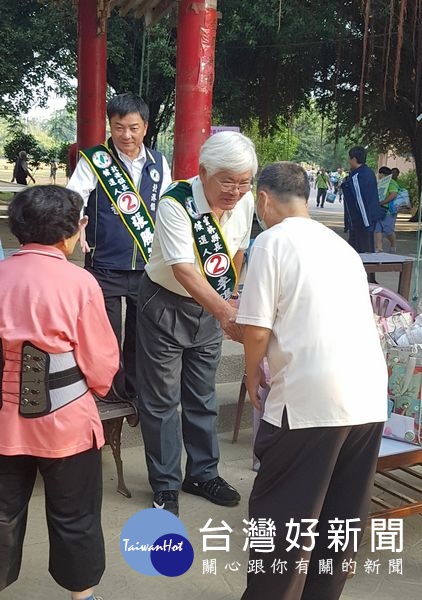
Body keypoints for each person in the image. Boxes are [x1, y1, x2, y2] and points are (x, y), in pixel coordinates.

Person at [237, 162, 387, 600]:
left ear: (264, 199)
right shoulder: (340, 246)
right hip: (367, 396)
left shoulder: (271, 241)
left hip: (310, 399)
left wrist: (251, 379)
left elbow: (258, 330)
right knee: (341, 517)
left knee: (283, 517)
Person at [0, 186, 120, 600]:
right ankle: (81, 597)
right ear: (73, 231)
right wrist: (99, 388)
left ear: (18, 231)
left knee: (0, 516)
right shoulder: (79, 283)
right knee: (76, 515)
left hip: (2, 424)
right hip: (65, 422)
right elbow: (102, 362)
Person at [136, 131, 257, 515]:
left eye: (244, 183)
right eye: (227, 181)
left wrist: (231, 296)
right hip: (166, 304)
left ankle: (203, 473)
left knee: (202, 396)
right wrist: (225, 313)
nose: (235, 192)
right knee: (161, 401)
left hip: (211, 307)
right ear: (203, 172)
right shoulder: (176, 203)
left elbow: (237, 251)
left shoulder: (245, 201)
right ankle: (166, 484)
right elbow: (184, 271)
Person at [67, 93, 172, 403]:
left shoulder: (159, 162)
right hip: (104, 264)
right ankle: (110, 389)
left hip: (147, 267)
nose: (126, 135)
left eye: (134, 128)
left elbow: (168, 207)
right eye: (118, 127)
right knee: (106, 334)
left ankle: (137, 389)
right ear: (110, 126)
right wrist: (77, 225)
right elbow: (74, 200)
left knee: (143, 334)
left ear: (146, 127)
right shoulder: (95, 160)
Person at [342, 146, 384, 253]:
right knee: (363, 251)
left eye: (349, 158)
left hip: (362, 222)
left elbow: (361, 201)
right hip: (368, 219)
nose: (348, 161)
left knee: (362, 252)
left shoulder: (357, 177)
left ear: (354, 159)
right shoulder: (369, 172)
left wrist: (366, 225)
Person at [374, 166, 399, 253]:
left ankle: (393, 244)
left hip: (389, 211)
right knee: (378, 229)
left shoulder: (392, 183)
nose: (378, 176)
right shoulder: (380, 183)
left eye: (379, 174)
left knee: (388, 230)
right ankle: (379, 248)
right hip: (379, 209)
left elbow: (393, 194)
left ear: (382, 174)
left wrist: (383, 202)